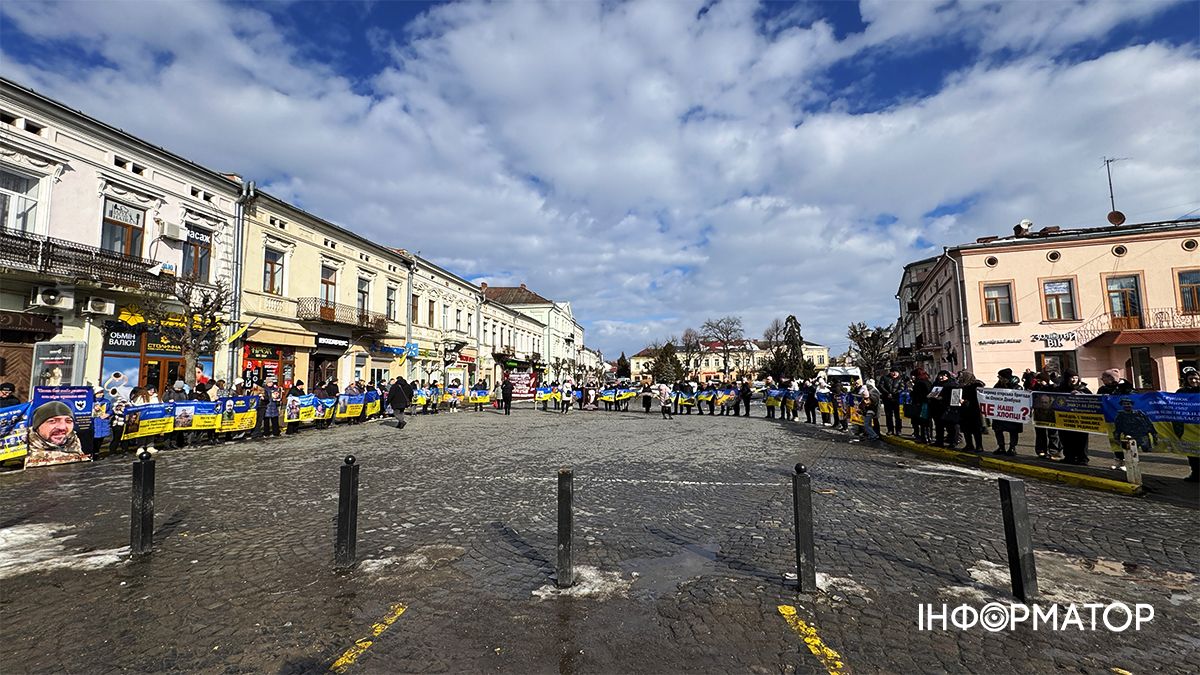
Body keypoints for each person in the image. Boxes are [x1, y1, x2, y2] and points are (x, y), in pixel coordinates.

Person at [25, 401, 87, 467]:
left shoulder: (76, 446)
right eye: (52, 421)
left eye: (68, 421)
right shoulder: (21, 454)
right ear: (37, 426)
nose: (62, 427)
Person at [1097, 368, 1134, 470]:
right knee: (1115, 440)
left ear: (1110, 378)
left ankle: (1128, 462)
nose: (1102, 381)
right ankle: (1119, 460)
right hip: (1111, 419)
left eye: (1103, 378)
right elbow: (1097, 400)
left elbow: (1132, 400)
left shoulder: (1126, 387)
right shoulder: (1103, 389)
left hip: (1125, 419)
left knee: (1126, 440)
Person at [1057, 370, 1092, 464]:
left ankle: (1082, 458)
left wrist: (1081, 395)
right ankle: (1069, 456)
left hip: (1080, 419)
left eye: (1076, 378)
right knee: (1066, 438)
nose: (1074, 380)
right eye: (1072, 377)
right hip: (1065, 418)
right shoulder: (1061, 388)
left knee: (1081, 439)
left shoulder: (1083, 388)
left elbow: (1092, 399)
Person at [1175, 367, 1200, 481]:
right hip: (1188, 428)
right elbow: (1173, 404)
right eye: (1191, 379)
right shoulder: (1181, 392)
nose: (1194, 381)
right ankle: (1195, 474)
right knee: (1192, 453)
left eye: (1196, 378)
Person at [991, 369, 1023, 455]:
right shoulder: (998, 386)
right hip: (1000, 412)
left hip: (1012, 413)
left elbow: (1020, 398)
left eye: (1000, 377)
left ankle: (1012, 447)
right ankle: (1001, 447)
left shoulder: (1016, 387)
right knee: (998, 429)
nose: (999, 378)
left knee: (1013, 430)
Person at [1032, 370, 1063, 459]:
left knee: (1053, 433)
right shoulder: (1036, 387)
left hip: (1051, 413)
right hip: (1039, 413)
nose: (1038, 382)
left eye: (1039, 380)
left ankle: (1054, 451)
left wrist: (1046, 386)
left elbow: (1056, 393)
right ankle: (1041, 450)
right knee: (1040, 433)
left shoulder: (1052, 387)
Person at [956, 371, 985, 452]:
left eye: (962, 377)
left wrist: (965, 401)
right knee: (966, 430)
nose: (961, 378)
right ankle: (969, 445)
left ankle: (979, 446)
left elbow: (977, 399)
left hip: (974, 411)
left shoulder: (976, 386)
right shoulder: (961, 385)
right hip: (964, 411)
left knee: (976, 430)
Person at [909, 369, 931, 442]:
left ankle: (924, 438)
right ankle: (928, 437)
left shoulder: (919, 383)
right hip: (926, 403)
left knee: (922, 421)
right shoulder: (927, 381)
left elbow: (916, 394)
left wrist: (911, 392)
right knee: (926, 421)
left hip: (920, 404)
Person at [878, 369, 903, 436]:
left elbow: (901, 388)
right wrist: (887, 393)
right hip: (887, 399)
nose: (894, 374)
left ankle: (898, 430)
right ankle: (890, 430)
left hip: (896, 399)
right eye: (893, 372)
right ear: (891, 372)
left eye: (896, 372)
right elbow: (881, 386)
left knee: (897, 416)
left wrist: (894, 393)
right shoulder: (884, 378)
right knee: (889, 415)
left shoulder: (900, 379)